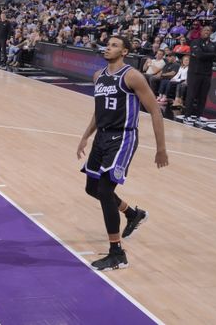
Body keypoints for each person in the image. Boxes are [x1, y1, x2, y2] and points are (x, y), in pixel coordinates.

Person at [77, 36, 168, 271]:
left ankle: (117, 253)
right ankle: (133, 214)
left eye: (115, 45)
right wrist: (85, 136)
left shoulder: (132, 76)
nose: (108, 47)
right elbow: (98, 111)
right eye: (107, 44)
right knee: (91, 188)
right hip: (102, 137)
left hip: (123, 137)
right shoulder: (99, 76)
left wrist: (161, 148)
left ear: (125, 51)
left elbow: (155, 111)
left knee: (106, 191)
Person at [184, 25, 216, 123]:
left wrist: (207, 54)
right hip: (194, 73)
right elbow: (199, 55)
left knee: (203, 96)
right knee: (191, 95)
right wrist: (211, 54)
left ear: (211, 33)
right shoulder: (195, 42)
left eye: (209, 30)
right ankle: (187, 116)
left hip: (207, 74)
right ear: (201, 31)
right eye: (205, 30)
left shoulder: (214, 45)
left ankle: (199, 116)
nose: (207, 31)